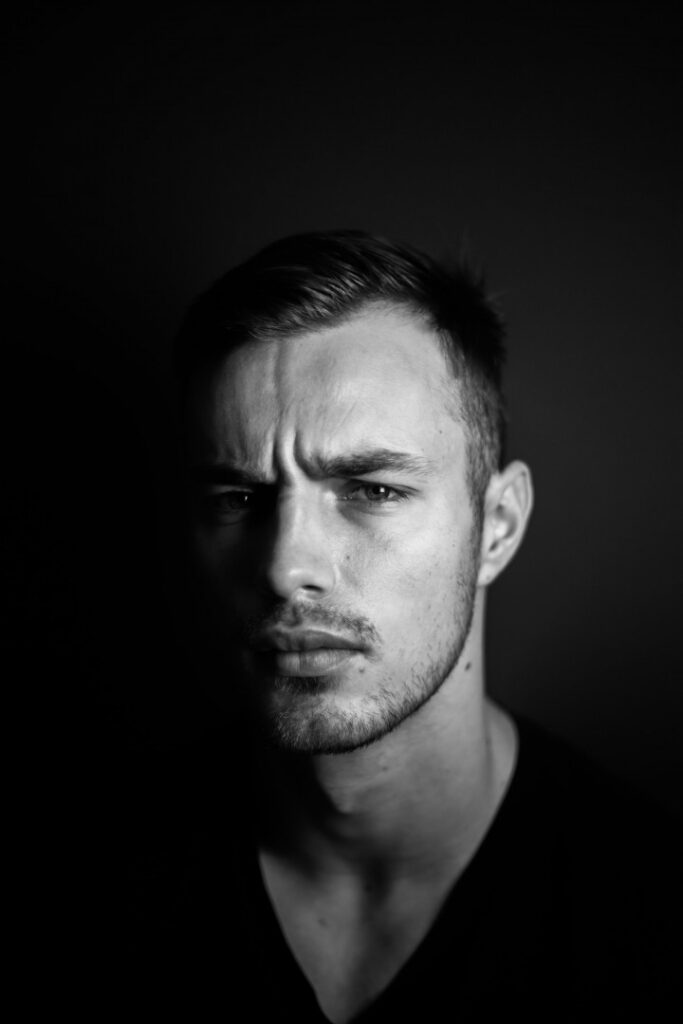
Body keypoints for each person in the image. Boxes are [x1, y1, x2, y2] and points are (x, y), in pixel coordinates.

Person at [125, 231, 677, 1021]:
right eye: (237, 500)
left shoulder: (646, 916)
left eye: (373, 491)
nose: (285, 566)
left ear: (496, 527)